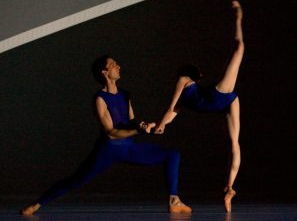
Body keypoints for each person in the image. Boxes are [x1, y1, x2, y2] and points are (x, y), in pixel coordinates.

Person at [20, 55, 191, 216]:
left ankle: (174, 200)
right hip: (108, 150)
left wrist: (144, 126)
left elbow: (132, 121)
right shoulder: (100, 99)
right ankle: (37, 204)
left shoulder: (125, 94)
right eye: (113, 65)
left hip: (129, 147)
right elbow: (111, 132)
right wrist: (139, 130)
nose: (118, 67)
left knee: (173, 154)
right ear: (105, 73)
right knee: (76, 180)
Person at [155, 0, 244, 213]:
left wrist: (160, 125)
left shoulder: (186, 88)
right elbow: (171, 110)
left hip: (214, 102)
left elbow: (172, 112)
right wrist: (160, 124)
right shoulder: (184, 79)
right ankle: (230, 185)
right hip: (220, 98)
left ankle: (230, 187)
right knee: (239, 49)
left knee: (234, 143)